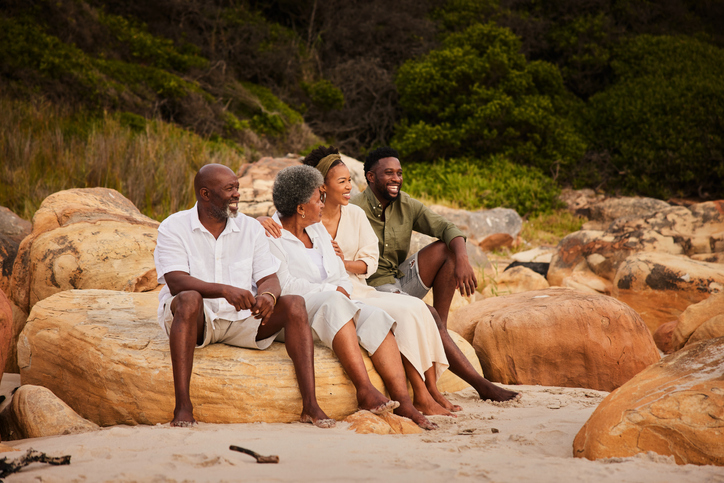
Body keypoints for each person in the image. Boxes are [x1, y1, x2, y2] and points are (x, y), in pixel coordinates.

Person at [260, 147, 459, 416]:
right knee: (336, 301)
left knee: (377, 317)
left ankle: (406, 403)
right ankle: (365, 389)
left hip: (339, 297)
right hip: (301, 310)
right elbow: (286, 285)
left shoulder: (316, 229)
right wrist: (334, 289)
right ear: (300, 208)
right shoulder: (269, 235)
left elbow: (339, 270)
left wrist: (340, 285)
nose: (321, 203)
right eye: (318, 198)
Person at [154, 163, 334, 428]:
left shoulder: (250, 228)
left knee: (295, 303)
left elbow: (269, 278)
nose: (237, 193)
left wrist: (268, 296)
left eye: (237, 187)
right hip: (197, 320)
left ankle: (310, 406)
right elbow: (176, 281)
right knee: (189, 298)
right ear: (205, 194)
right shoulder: (174, 226)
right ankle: (183, 406)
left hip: (241, 320)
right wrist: (224, 290)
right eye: (229, 189)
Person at [351, 146, 519, 402]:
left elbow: (447, 228)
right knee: (426, 315)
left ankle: (440, 328)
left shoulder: (406, 204)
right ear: (371, 177)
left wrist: (463, 259)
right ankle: (481, 385)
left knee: (447, 250)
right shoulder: (354, 209)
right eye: (389, 173)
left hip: (398, 279)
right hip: (373, 288)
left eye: (399, 173)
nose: (396, 178)